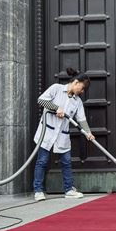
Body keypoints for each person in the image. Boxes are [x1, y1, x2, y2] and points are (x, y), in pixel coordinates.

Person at [32, 68, 95, 201]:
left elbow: (81, 119)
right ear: (76, 83)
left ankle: (69, 190)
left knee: (66, 162)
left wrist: (88, 133)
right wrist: (56, 108)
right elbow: (41, 100)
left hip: (62, 135)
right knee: (42, 161)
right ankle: (38, 191)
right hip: (47, 132)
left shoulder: (77, 102)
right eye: (82, 88)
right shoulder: (56, 89)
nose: (82, 92)